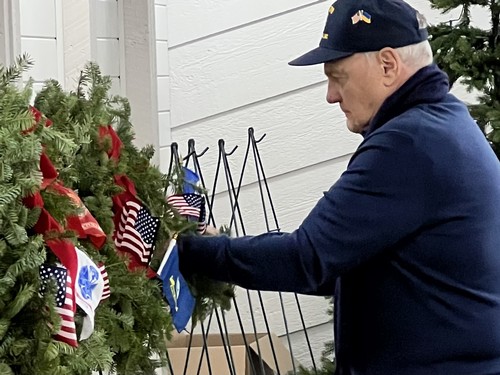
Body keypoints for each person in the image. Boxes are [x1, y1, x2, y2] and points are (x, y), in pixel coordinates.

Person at [176, 0, 500, 373]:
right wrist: (221, 249)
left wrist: (188, 252)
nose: (331, 95)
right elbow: (338, 261)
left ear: (388, 65)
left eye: (338, 76)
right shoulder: (444, 123)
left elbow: (308, 260)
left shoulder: (409, 142)